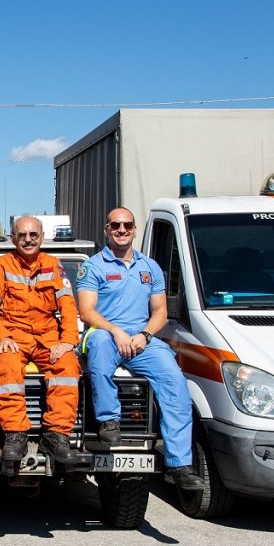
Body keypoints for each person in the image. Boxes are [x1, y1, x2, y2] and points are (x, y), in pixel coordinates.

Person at [76, 207, 204, 490]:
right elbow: (86, 311)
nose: (121, 230)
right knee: (97, 348)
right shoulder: (94, 266)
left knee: (175, 382)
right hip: (104, 333)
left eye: (127, 225)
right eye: (115, 225)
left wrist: (145, 335)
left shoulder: (151, 268)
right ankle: (109, 421)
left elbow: (159, 312)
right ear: (106, 230)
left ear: (135, 230)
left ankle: (179, 465)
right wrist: (116, 331)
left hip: (140, 339)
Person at [0, 216, 79, 464]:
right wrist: (1, 336)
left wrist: (68, 340)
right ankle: (15, 434)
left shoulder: (54, 265)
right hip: (15, 335)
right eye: (22, 235)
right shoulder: (2, 265)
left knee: (67, 364)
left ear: (42, 237)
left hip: (48, 337)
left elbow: (67, 305)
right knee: (7, 366)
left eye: (33, 234)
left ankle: (57, 435)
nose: (28, 239)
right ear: (13, 238)